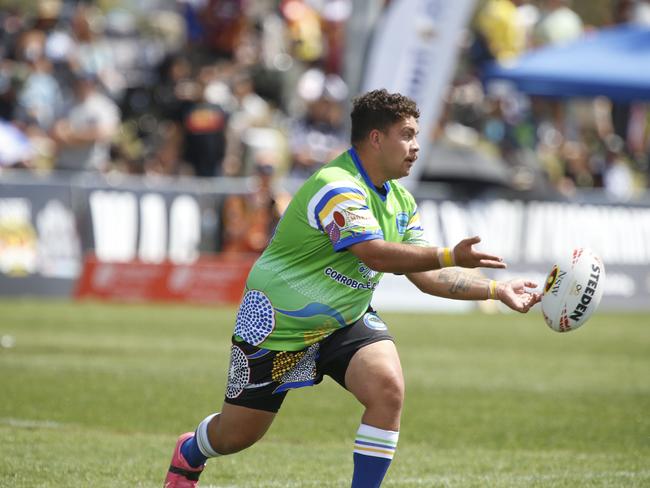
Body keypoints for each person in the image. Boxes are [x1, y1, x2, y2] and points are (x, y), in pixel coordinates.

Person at [163, 89, 541, 488]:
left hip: (345, 320)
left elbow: (428, 277)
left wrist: (496, 291)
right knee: (236, 436)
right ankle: (191, 451)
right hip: (278, 324)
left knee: (387, 388)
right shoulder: (336, 185)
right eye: (407, 135)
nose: (416, 146)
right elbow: (374, 255)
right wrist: (448, 254)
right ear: (376, 138)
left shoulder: (401, 201)